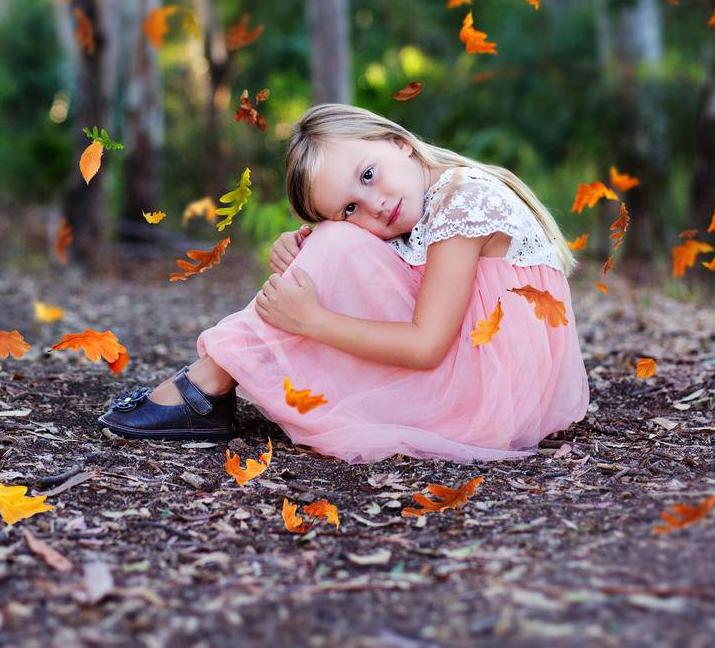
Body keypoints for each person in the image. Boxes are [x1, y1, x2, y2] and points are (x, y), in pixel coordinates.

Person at [98, 103, 590, 464]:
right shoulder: (422, 200)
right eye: (350, 206)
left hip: (487, 397)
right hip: (475, 369)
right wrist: (307, 247)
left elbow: (426, 346)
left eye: (369, 174)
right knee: (331, 242)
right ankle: (215, 375)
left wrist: (314, 319)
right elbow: (386, 268)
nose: (374, 204)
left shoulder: (464, 202)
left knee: (332, 247)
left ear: (398, 141)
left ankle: (211, 380)